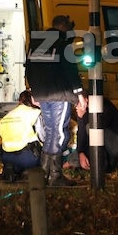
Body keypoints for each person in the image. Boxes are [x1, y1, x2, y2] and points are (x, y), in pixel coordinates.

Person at [25, 15, 87, 186]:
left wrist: (33, 91)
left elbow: (29, 67)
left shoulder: (36, 42)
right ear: (65, 28)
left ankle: (44, 175)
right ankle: (55, 176)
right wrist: (79, 94)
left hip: (43, 94)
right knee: (59, 133)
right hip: (59, 94)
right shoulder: (62, 44)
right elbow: (70, 71)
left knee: (51, 132)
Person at [75, 97, 118, 173]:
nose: (76, 107)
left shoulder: (103, 105)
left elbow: (99, 126)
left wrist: (83, 117)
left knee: (91, 128)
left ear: (86, 100)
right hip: (103, 146)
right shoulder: (83, 110)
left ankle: (102, 166)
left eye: (78, 104)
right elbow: (81, 132)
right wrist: (81, 152)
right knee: (75, 156)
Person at [0, 90, 44, 182]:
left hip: (6, 157)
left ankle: (12, 169)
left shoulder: (6, 116)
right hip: (28, 157)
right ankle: (34, 173)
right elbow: (43, 137)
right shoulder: (35, 113)